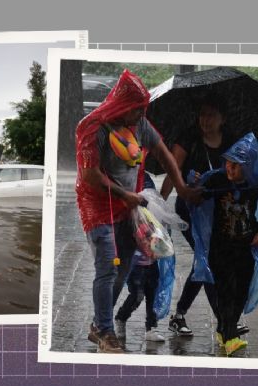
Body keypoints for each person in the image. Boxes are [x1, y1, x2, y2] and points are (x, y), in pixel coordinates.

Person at [75, 69, 200, 353]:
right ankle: (106, 333)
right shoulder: (92, 126)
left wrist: (180, 187)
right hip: (97, 204)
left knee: (123, 269)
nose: (140, 115)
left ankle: (98, 323)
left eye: (143, 109)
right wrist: (125, 194)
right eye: (135, 109)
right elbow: (90, 175)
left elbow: (164, 154)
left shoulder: (140, 124)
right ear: (122, 105)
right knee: (107, 266)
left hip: (128, 205)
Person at [188, 133, 258, 355]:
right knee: (225, 291)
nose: (229, 168)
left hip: (245, 247)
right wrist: (194, 183)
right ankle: (229, 338)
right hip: (220, 248)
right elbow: (192, 198)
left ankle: (224, 330)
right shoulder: (216, 179)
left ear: (248, 166)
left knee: (240, 292)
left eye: (236, 165)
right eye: (228, 162)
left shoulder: (255, 183)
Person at [159, 95, 241, 337]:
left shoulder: (231, 140)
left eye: (211, 115)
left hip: (219, 210)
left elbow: (240, 172)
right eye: (202, 114)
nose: (205, 120)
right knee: (208, 261)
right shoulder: (189, 138)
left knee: (203, 262)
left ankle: (180, 315)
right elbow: (172, 172)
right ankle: (225, 323)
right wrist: (158, 208)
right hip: (190, 210)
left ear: (222, 118)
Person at [113, 173, 165, 342]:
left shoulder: (151, 218)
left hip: (152, 260)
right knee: (137, 294)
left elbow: (160, 236)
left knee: (153, 293)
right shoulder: (128, 218)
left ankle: (151, 327)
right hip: (136, 263)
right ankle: (121, 317)